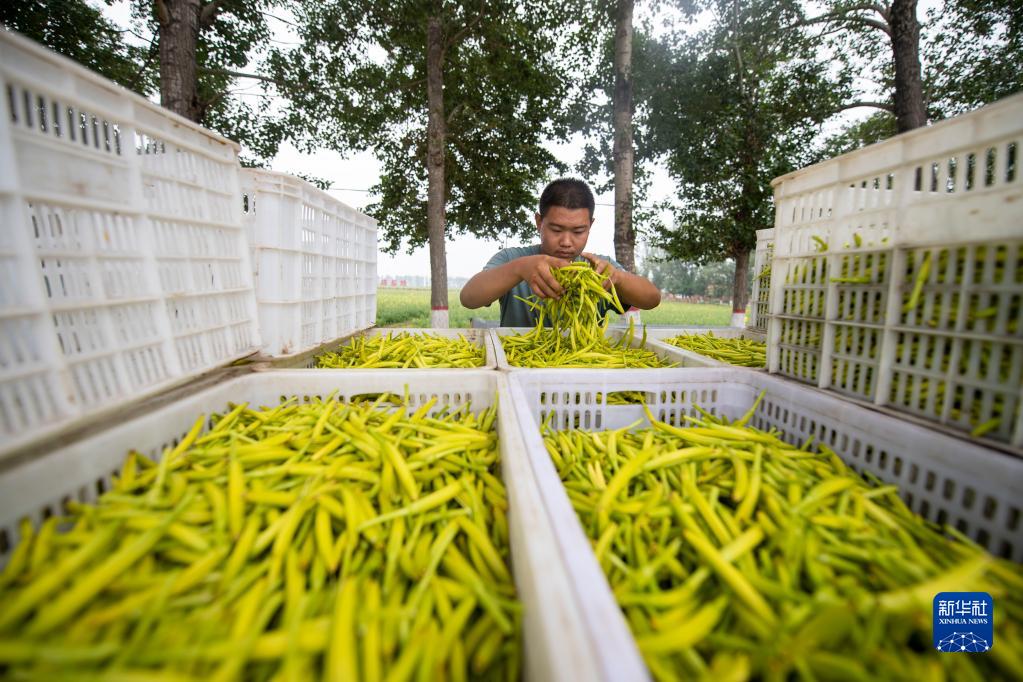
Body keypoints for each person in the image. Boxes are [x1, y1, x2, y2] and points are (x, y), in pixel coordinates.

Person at [460, 178, 661, 326]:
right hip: (519, 371)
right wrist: (520, 269)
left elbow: (652, 299)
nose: (566, 242)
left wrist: (618, 278)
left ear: (590, 225)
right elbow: (469, 298)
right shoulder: (513, 259)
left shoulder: (599, 269)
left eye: (578, 231)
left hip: (581, 373)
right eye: (556, 230)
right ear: (539, 222)